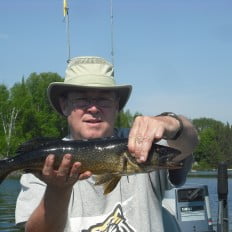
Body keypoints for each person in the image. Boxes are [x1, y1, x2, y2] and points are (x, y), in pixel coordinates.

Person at [15, 56, 198, 232]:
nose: (93, 108)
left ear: (117, 105)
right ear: (64, 105)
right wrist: (57, 190)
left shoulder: (141, 143)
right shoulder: (45, 163)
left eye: (103, 99)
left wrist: (171, 123)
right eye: (82, 99)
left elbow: (189, 143)